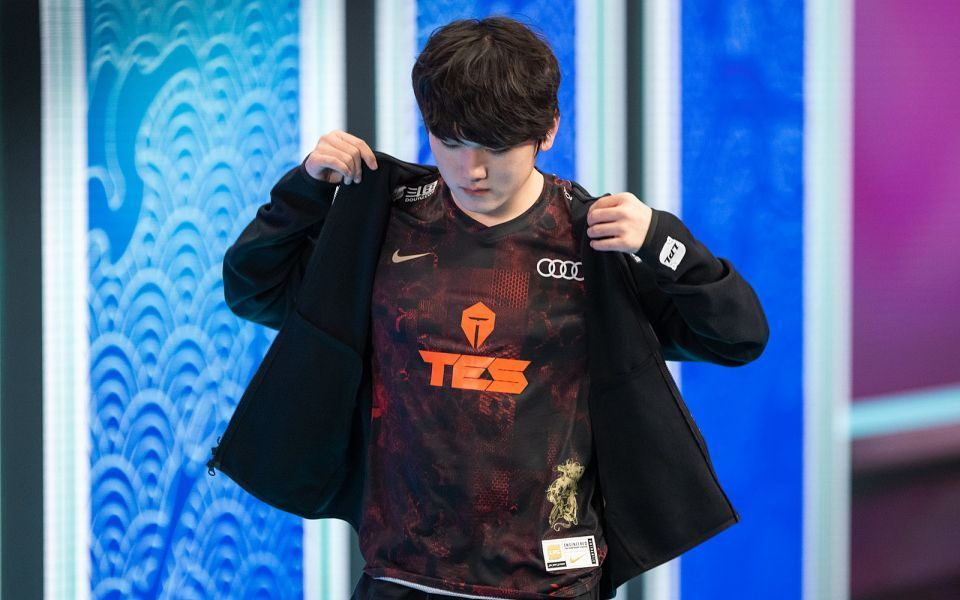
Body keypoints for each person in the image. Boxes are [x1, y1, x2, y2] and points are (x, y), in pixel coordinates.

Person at [207, 16, 768, 600]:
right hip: (399, 574)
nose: (471, 170)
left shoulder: (591, 238)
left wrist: (663, 241)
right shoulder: (384, 220)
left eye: (497, 148)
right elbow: (254, 288)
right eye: (450, 142)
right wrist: (305, 189)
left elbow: (739, 336)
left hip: (551, 581)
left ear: (547, 131)